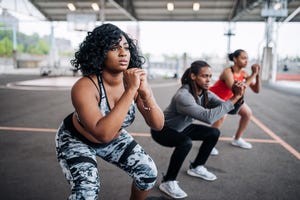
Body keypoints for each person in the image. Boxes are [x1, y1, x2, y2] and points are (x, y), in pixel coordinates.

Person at [55, 23, 164, 200]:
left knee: (147, 172)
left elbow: (158, 124)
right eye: (114, 48)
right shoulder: (85, 86)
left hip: (114, 137)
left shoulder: (135, 83)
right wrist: (130, 91)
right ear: (100, 53)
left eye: (126, 47)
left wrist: (146, 94)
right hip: (76, 140)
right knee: (87, 192)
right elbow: (102, 134)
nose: (123, 53)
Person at [150, 60, 245, 199]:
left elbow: (230, 110)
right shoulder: (183, 96)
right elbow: (209, 118)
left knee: (213, 133)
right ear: (193, 76)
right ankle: (168, 181)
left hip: (183, 127)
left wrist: (239, 96)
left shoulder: (206, 94)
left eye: (210, 76)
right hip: (163, 130)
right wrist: (234, 97)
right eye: (204, 76)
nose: (208, 80)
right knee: (185, 143)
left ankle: (197, 167)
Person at [209, 49, 261, 151]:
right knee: (222, 116)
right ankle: (209, 144)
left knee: (247, 113)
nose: (246, 61)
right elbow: (236, 88)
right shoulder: (228, 72)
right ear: (235, 59)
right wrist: (253, 74)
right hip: (215, 97)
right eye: (243, 58)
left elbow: (256, 90)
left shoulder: (244, 74)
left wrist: (257, 75)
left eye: (247, 58)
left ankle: (237, 139)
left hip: (230, 98)